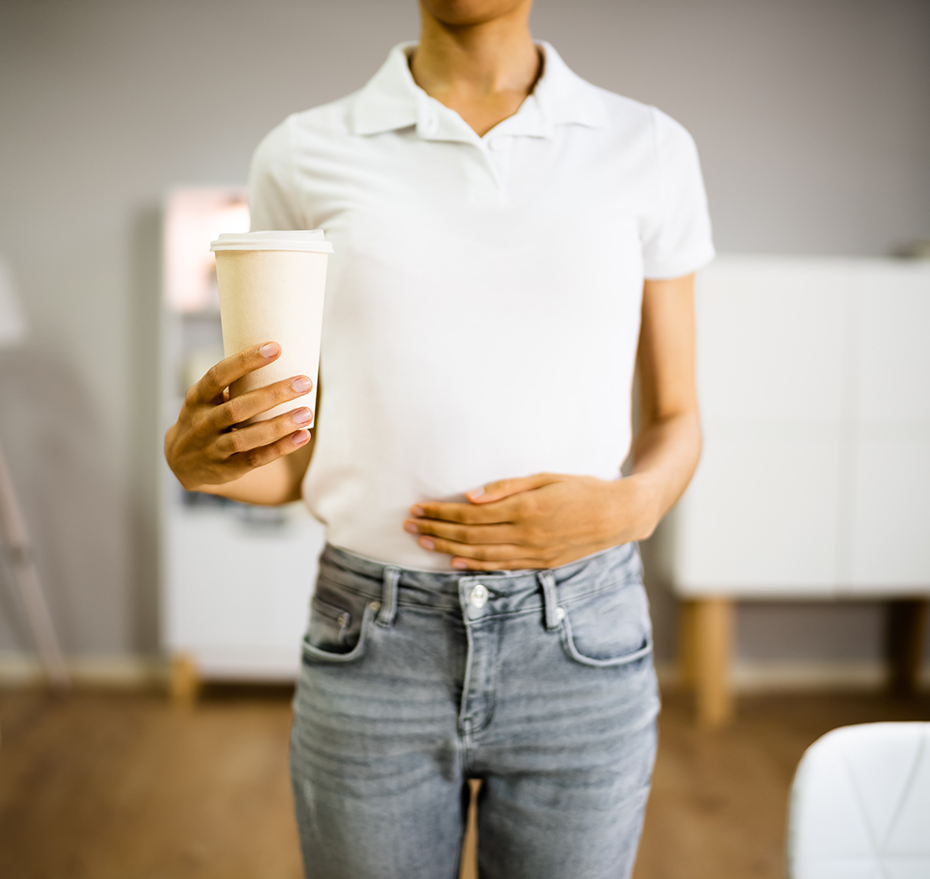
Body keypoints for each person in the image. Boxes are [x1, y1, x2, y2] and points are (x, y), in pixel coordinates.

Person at [164, 0, 713, 875]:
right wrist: (199, 463)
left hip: (583, 642)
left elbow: (677, 415)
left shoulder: (647, 148)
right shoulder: (303, 152)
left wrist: (633, 505)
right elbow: (291, 458)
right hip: (373, 643)